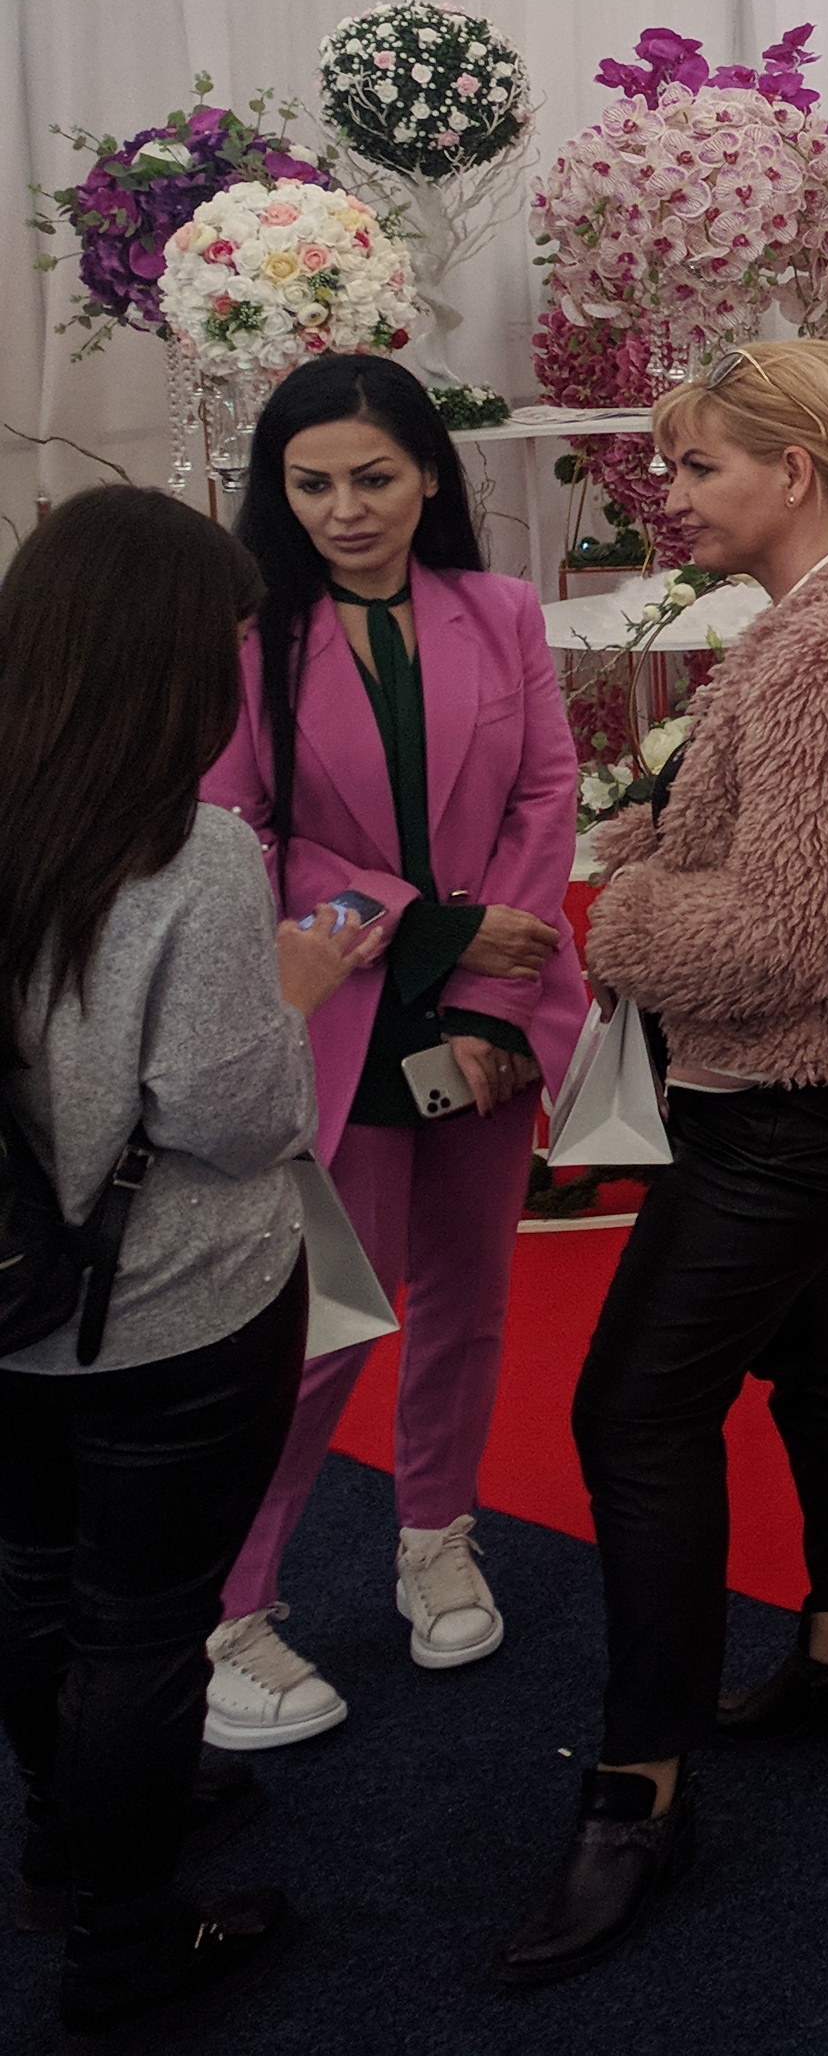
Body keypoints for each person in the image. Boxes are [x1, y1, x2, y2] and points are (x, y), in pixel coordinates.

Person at [505, 340, 828, 1986]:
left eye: (699, 465)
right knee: (821, 1342)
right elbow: (805, 863)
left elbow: (803, 931)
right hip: (815, 1087)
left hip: (796, 1096)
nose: (670, 493)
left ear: (794, 472)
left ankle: (639, 1790)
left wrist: (624, 911)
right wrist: (666, 837)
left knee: (633, 1411)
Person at [0, 486, 385, 2035]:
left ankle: (64, 1841)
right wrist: (292, 988)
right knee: (145, 1625)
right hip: (167, 1306)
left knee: (34, 1582)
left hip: (12, 1298)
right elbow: (231, 1117)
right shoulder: (191, 854)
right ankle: (125, 1944)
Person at [200, 355, 587, 1750]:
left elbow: (546, 791)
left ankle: (436, 1533)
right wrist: (417, 924)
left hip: (493, 1004)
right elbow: (239, 839)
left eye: (372, 477)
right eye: (311, 484)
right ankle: (226, 1608)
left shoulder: (500, 610)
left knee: (470, 1298)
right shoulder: (251, 638)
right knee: (326, 1319)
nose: (345, 509)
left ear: (429, 473)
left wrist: (487, 988)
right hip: (347, 1005)